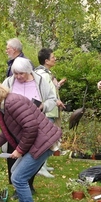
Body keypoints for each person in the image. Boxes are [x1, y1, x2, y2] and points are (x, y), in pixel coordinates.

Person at [0, 80, 62, 202]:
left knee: (18, 177)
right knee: (16, 171)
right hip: (39, 141)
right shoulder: (7, 104)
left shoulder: (13, 103)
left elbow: (31, 128)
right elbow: (9, 130)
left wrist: (19, 150)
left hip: (44, 142)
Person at [2, 57, 57, 195]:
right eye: (16, 73)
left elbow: (52, 99)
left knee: (32, 155)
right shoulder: (9, 82)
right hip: (14, 125)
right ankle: (17, 185)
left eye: (22, 74)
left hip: (33, 124)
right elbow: (0, 99)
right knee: (13, 154)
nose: (19, 77)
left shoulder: (40, 81)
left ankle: (29, 184)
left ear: (28, 71)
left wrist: (43, 106)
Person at [35, 48, 67, 176]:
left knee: (48, 139)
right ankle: (40, 168)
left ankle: (44, 165)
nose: (55, 59)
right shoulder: (42, 74)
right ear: (46, 60)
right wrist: (56, 101)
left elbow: (50, 89)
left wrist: (58, 85)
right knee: (45, 140)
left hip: (51, 110)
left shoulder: (46, 73)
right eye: (53, 57)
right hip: (47, 112)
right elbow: (43, 93)